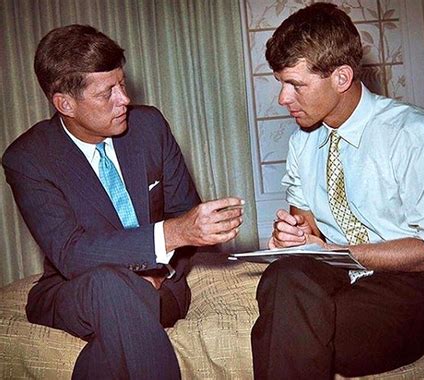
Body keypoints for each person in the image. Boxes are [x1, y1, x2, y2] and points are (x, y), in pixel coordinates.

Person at [2, 24, 244, 379]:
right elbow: (71, 252)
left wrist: (162, 269)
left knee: (114, 328)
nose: (124, 99)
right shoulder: (28, 158)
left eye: (122, 83)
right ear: (65, 103)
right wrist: (171, 234)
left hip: (162, 286)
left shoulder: (149, 127)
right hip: (74, 291)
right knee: (109, 285)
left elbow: (186, 214)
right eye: (107, 93)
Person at [250, 3, 424, 379]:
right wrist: (296, 234)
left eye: (296, 85)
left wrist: (336, 251)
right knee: (282, 278)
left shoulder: (413, 135)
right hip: (340, 271)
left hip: (414, 280)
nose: (283, 99)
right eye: (281, 83)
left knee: (302, 332)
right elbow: (306, 222)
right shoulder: (304, 141)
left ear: (341, 77)